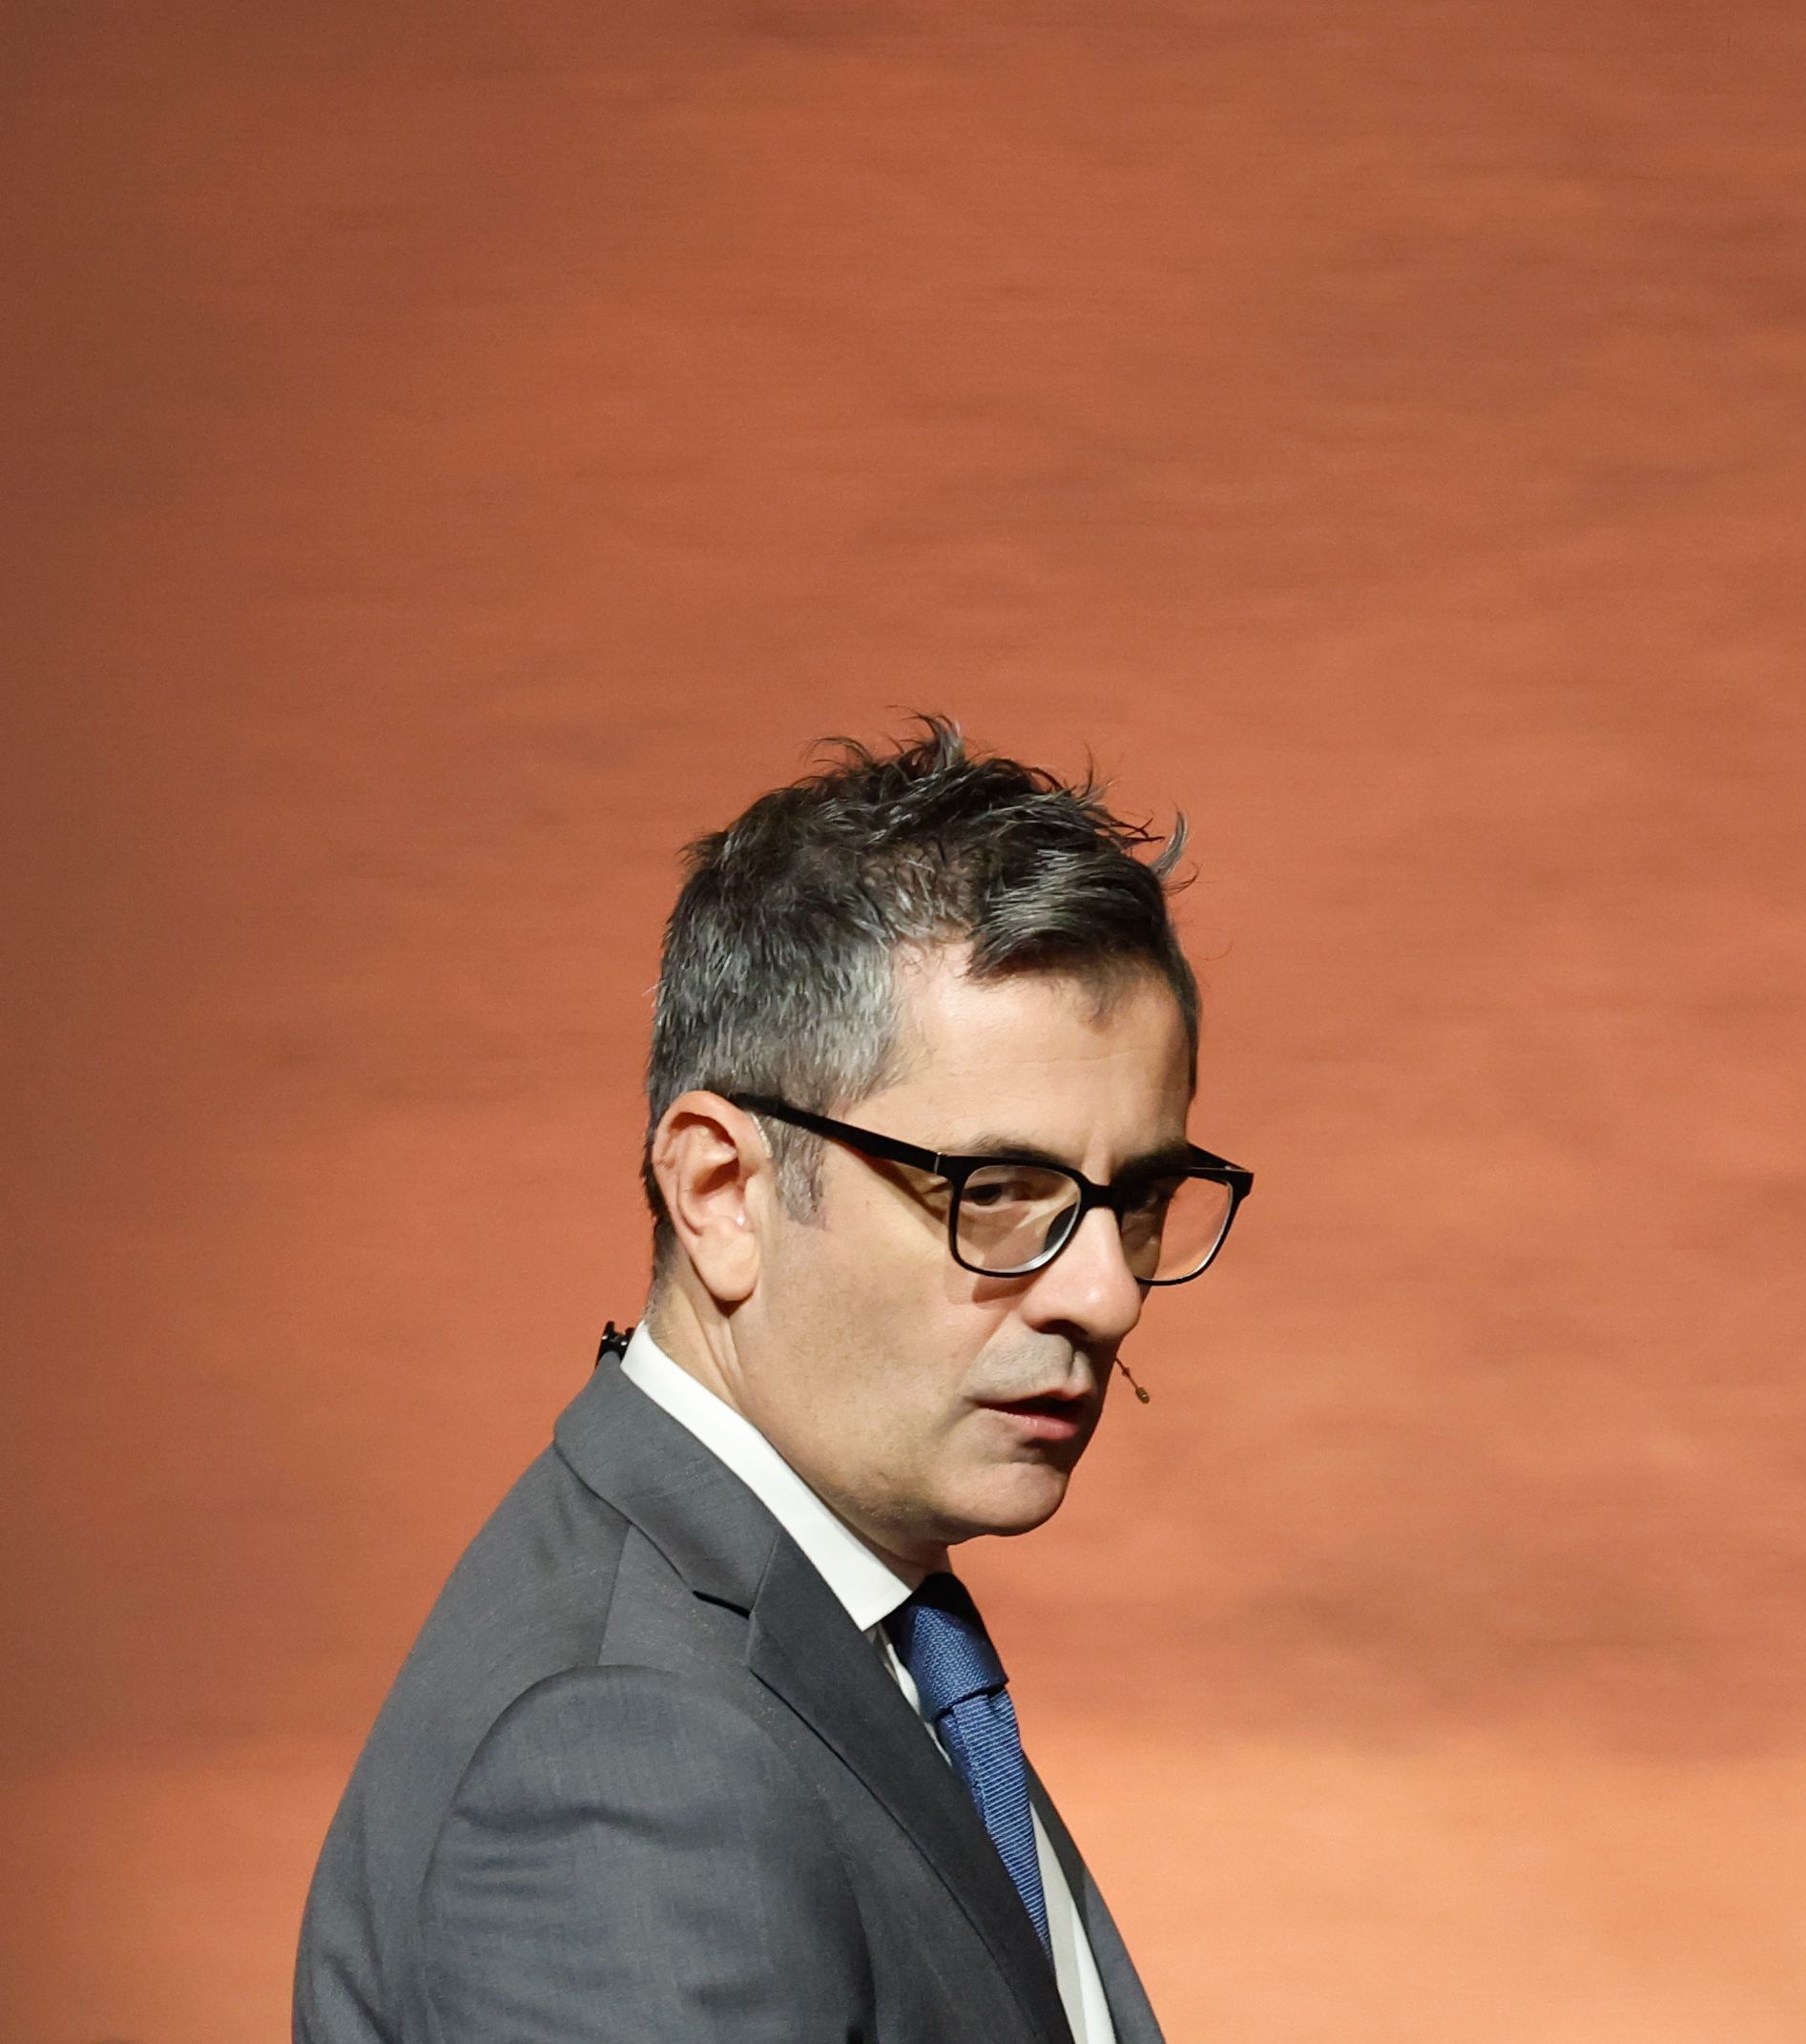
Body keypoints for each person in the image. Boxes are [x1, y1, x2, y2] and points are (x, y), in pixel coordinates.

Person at [294, 720, 1249, 2043]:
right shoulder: (626, 1755)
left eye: (1136, 1197)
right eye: (995, 1189)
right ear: (720, 1190)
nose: (1105, 1292)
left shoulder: (839, 1625)